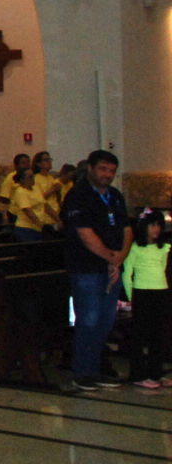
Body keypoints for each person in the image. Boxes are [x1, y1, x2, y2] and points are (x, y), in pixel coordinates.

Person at [64, 150, 129, 393]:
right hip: (86, 268)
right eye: (103, 169)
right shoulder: (78, 195)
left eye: (112, 171)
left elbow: (126, 229)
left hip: (111, 267)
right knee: (89, 319)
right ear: (90, 168)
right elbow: (85, 234)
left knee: (106, 320)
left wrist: (119, 258)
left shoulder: (115, 196)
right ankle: (83, 371)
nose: (107, 175)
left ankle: (97, 367)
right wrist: (111, 258)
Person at [123, 212, 168, 390]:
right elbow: (127, 274)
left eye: (159, 225)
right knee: (140, 335)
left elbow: (162, 269)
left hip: (160, 291)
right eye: (152, 225)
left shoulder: (164, 247)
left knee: (158, 335)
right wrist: (131, 297)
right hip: (141, 292)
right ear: (144, 227)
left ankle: (155, 373)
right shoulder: (135, 247)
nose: (156, 229)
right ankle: (137, 374)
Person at [6, 165, 47, 239]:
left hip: (38, 228)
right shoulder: (20, 191)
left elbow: (45, 205)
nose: (33, 179)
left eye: (33, 176)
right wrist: (40, 224)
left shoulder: (36, 189)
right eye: (30, 177)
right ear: (22, 179)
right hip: (26, 228)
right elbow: (27, 211)